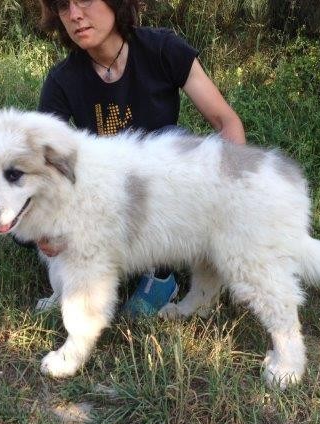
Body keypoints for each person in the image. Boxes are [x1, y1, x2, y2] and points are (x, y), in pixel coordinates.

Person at [35, 0, 245, 316]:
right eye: (64, 6)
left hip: (163, 188)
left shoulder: (161, 49)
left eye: (86, 1)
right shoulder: (62, 80)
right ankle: (83, 277)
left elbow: (226, 122)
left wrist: (236, 194)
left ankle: (160, 274)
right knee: (28, 219)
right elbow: (46, 163)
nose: (75, 14)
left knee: (175, 141)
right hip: (109, 195)